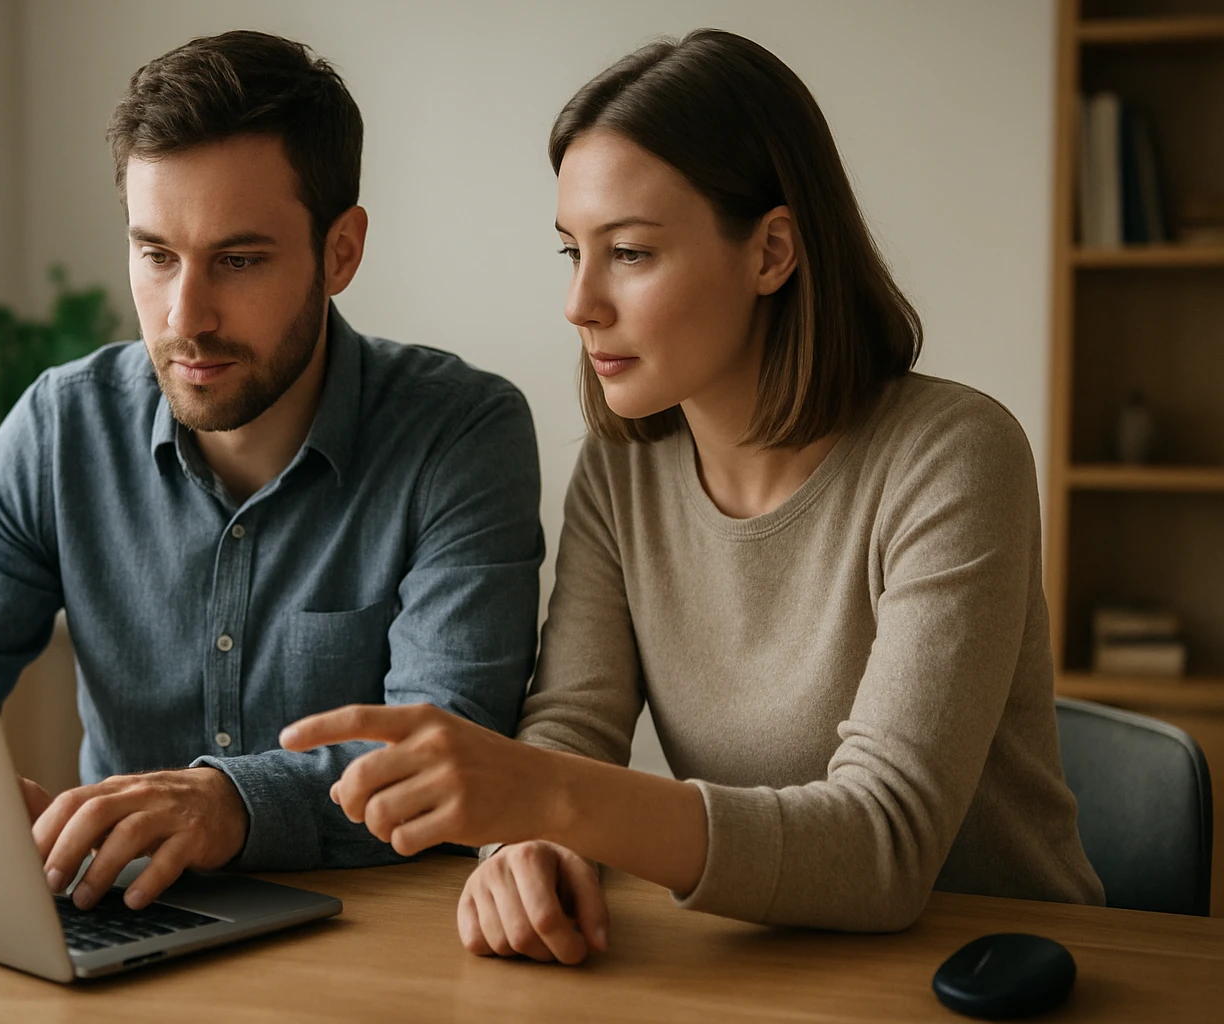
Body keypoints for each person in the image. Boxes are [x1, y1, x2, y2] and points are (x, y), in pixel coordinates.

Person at [282, 28, 1104, 965]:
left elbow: (886, 844)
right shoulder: (621, 472)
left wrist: (545, 795)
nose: (580, 303)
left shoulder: (955, 458)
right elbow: (573, 728)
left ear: (772, 253)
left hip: (1000, 967)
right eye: (571, 252)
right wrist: (529, 845)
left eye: (628, 252)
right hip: (770, 966)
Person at [0, 31, 543, 912]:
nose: (187, 316)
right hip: (123, 913)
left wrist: (230, 803)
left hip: (377, 940)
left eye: (238, 260)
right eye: (156, 254)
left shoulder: (460, 434)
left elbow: (441, 757)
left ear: (341, 252)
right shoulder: (62, 426)